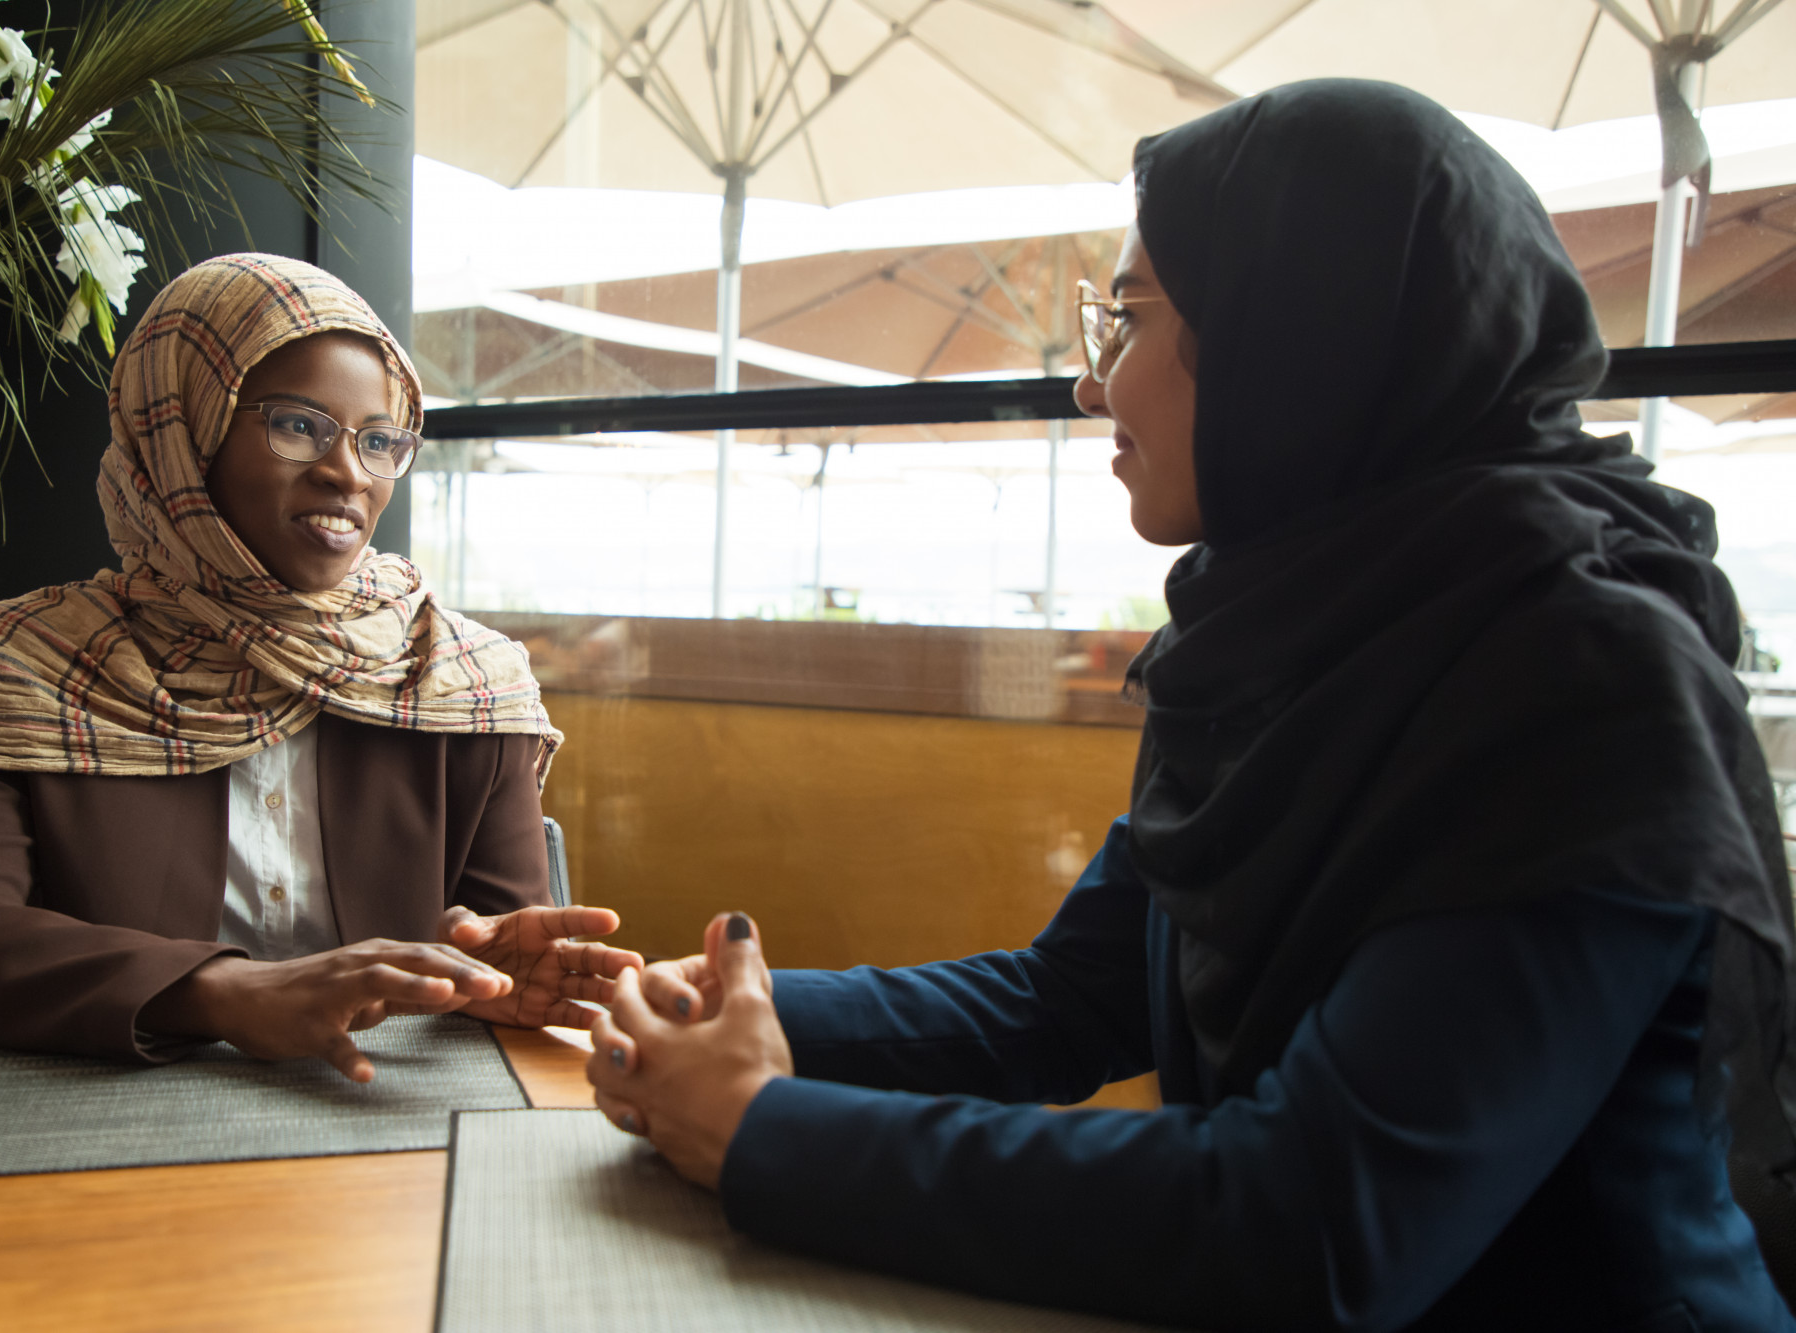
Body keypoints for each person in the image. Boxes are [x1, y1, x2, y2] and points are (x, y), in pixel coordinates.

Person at [584, 81, 1796, 1330]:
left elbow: (1315, 1222)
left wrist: (763, 1135)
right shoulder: (1279, 628)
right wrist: (705, 1003)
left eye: (1125, 319)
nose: (1088, 386)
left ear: (1295, 334)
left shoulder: (1586, 684)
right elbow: (1063, 1000)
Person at [0, 254, 637, 1081]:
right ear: (183, 433)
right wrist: (223, 992)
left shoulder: (458, 678)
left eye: (379, 440)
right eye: (298, 424)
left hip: (382, 1136)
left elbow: (499, 951)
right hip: (83, 1138)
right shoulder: (30, 658)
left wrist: (491, 977)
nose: (346, 472)